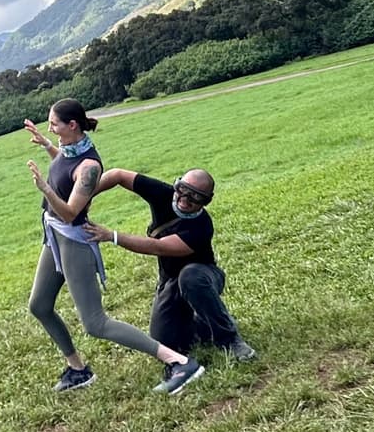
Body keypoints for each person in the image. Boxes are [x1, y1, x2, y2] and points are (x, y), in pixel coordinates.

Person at [23, 99, 206, 395]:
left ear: (73, 125)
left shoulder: (90, 166)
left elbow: (70, 212)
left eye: (53, 123)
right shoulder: (70, 151)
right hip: (53, 236)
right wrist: (46, 144)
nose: (50, 127)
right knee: (40, 305)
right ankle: (78, 370)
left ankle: (180, 362)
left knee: (95, 323)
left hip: (74, 240)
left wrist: (44, 189)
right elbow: (64, 171)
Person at [77, 165, 258, 386]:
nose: (185, 199)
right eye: (183, 189)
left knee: (190, 277)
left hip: (203, 275)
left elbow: (159, 247)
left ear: (205, 202)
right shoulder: (164, 194)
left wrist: (111, 235)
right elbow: (118, 175)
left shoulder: (201, 226)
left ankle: (229, 339)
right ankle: (206, 323)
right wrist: (82, 197)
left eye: (196, 196)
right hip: (170, 280)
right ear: (177, 184)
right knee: (165, 340)